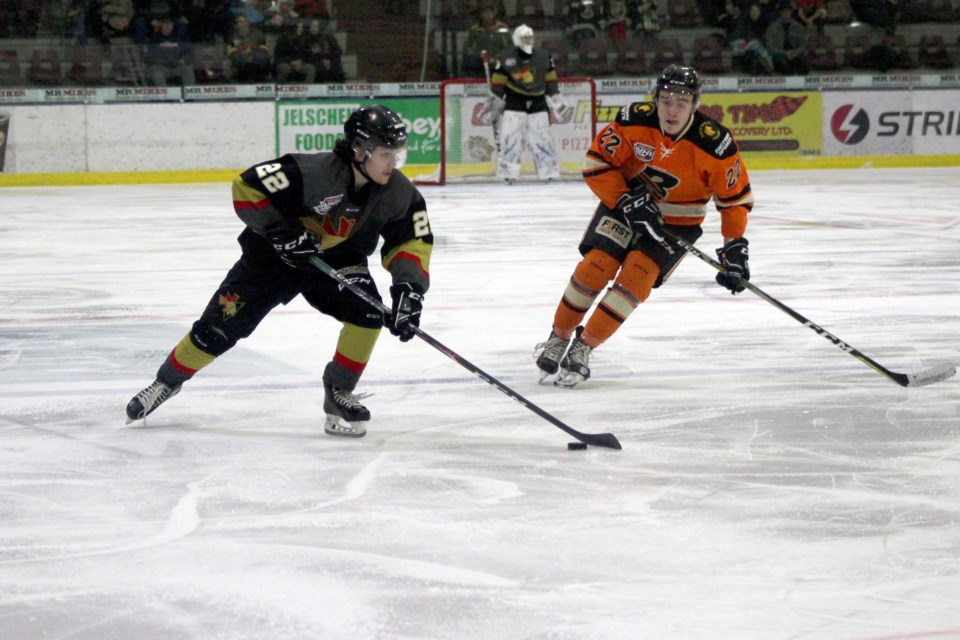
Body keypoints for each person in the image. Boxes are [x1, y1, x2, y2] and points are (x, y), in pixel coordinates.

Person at [126, 105, 434, 437]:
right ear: (359, 150)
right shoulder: (313, 171)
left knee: (369, 313)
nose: (394, 164)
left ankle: (338, 392)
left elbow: (412, 241)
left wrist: (409, 291)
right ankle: (167, 382)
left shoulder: (398, 193)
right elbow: (247, 187)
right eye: (386, 154)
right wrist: (281, 233)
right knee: (217, 330)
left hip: (335, 260)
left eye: (397, 155)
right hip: (272, 259)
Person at [534, 65, 754, 387]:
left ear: (695, 104)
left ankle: (584, 347)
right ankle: (558, 337)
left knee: (635, 279)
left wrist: (734, 246)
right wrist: (624, 199)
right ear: (655, 99)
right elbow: (596, 163)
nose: (672, 109)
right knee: (595, 267)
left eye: (681, 101)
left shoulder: (715, 145)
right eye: (666, 100)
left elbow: (733, 200)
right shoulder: (633, 121)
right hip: (626, 204)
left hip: (677, 222)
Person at [490, 24, 569, 184]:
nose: (528, 40)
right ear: (516, 39)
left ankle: (547, 172)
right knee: (510, 139)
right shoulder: (505, 56)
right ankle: (509, 174)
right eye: (524, 38)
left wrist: (556, 97)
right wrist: (494, 103)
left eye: (530, 37)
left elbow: (551, 80)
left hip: (538, 102)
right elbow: (498, 84)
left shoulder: (544, 56)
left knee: (542, 139)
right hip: (514, 102)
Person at [461, 2, 511, 78]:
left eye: (490, 12)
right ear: (481, 15)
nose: (488, 15)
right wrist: (478, 55)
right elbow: (468, 48)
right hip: (480, 60)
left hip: (499, 60)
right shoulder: (475, 29)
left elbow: (510, 46)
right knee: (472, 63)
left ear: (494, 14)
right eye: (485, 12)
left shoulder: (502, 27)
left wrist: (501, 56)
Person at [765, 1, 809, 75]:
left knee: (804, 65)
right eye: (784, 11)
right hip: (779, 54)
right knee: (785, 67)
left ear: (791, 12)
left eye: (788, 11)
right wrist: (784, 53)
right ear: (780, 13)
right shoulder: (772, 27)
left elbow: (803, 44)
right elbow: (769, 47)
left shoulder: (798, 26)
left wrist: (794, 53)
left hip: (794, 53)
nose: (786, 13)